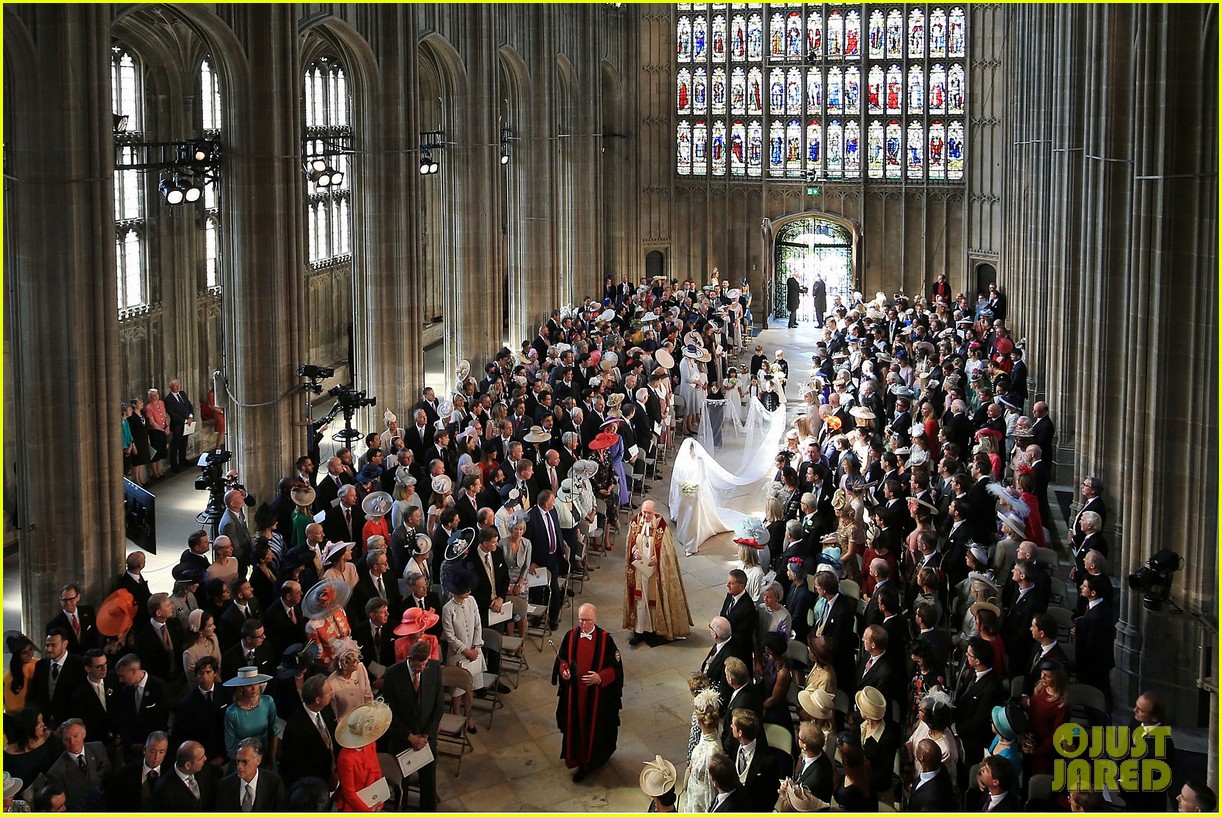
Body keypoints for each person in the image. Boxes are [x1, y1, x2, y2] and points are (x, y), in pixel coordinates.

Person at [552, 604, 624, 782]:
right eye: (581, 620)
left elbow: (616, 669)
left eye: (587, 620)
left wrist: (599, 677)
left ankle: (592, 763)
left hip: (597, 700)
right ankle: (578, 761)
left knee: (595, 732)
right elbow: (562, 661)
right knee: (575, 731)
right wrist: (565, 672)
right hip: (574, 698)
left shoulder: (605, 640)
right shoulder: (571, 636)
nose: (583, 624)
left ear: (595, 619)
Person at [381, 640, 445, 811]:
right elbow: (389, 711)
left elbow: (439, 705)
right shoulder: (393, 674)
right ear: (409, 658)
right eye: (418, 666)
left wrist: (426, 735)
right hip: (403, 739)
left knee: (428, 783)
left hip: (426, 738)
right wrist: (409, 736)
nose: (421, 669)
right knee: (403, 785)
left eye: (424, 665)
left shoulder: (434, 668)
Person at [623, 500, 693, 644]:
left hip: (656, 573)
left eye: (649, 513)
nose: (646, 515)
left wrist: (658, 557)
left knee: (654, 602)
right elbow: (630, 543)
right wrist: (635, 551)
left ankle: (655, 630)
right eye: (644, 512)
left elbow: (668, 550)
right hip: (639, 571)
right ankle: (639, 631)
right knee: (640, 601)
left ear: (654, 512)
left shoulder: (661, 526)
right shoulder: (635, 523)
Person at [670, 441, 731, 556]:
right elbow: (677, 478)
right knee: (685, 516)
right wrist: (684, 486)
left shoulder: (700, 461)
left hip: (695, 493)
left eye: (691, 450)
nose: (690, 452)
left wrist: (695, 486)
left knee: (693, 518)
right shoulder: (682, 461)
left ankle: (692, 542)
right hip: (685, 493)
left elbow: (703, 478)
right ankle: (684, 534)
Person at [334, 700, 392, 812]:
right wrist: (368, 811)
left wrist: (379, 800)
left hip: (373, 800)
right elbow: (349, 794)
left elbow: (377, 772)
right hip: (354, 808)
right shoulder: (346, 758)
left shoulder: (370, 744)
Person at [222, 665, 282, 767]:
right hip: (243, 760)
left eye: (256, 683)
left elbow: (275, 731)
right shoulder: (232, 713)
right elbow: (231, 748)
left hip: (266, 755)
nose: (254, 688)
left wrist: (271, 759)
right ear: (241, 688)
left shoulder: (268, 702)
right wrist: (245, 765)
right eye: (249, 685)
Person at [213, 737, 285, 811]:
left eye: (244, 762)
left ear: (258, 761)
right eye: (238, 761)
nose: (239, 766)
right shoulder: (224, 786)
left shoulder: (274, 782)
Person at [164, 378, 195, 470]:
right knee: (175, 444)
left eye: (178, 385)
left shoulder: (182, 394)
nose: (177, 387)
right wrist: (185, 421)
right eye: (175, 386)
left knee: (184, 443)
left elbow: (189, 405)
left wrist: (190, 416)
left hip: (187, 424)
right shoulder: (168, 399)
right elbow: (172, 414)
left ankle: (183, 459)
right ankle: (174, 465)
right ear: (171, 387)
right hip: (177, 425)